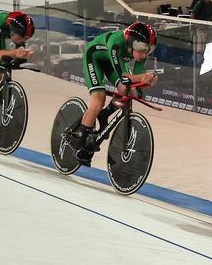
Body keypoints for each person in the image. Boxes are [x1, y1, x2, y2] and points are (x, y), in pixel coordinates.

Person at [68, 22, 159, 165]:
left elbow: (135, 82)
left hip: (110, 63)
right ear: (130, 42)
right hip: (94, 58)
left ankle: (105, 114)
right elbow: (124, 77)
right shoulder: (117, 43)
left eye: (149, 49)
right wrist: (145, 77)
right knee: (98, 100)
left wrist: (147, 81)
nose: (144, 54)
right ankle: (79, 141)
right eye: (142, 48)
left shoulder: (140, 53)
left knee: (130, 92)